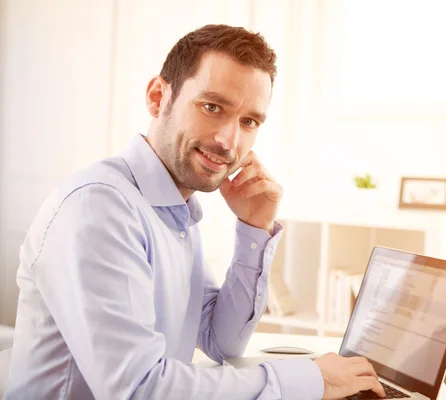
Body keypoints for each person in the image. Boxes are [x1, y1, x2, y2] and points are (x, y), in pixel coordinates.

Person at [5, 24, 385, 399]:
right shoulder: (100, 207)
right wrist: (310, 381)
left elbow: (222, 341)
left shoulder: (176, 210)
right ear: (158, 97)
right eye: (212, 107)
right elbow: (139, 388)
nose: (228, 141)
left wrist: (254, 228)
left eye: (249, 121)